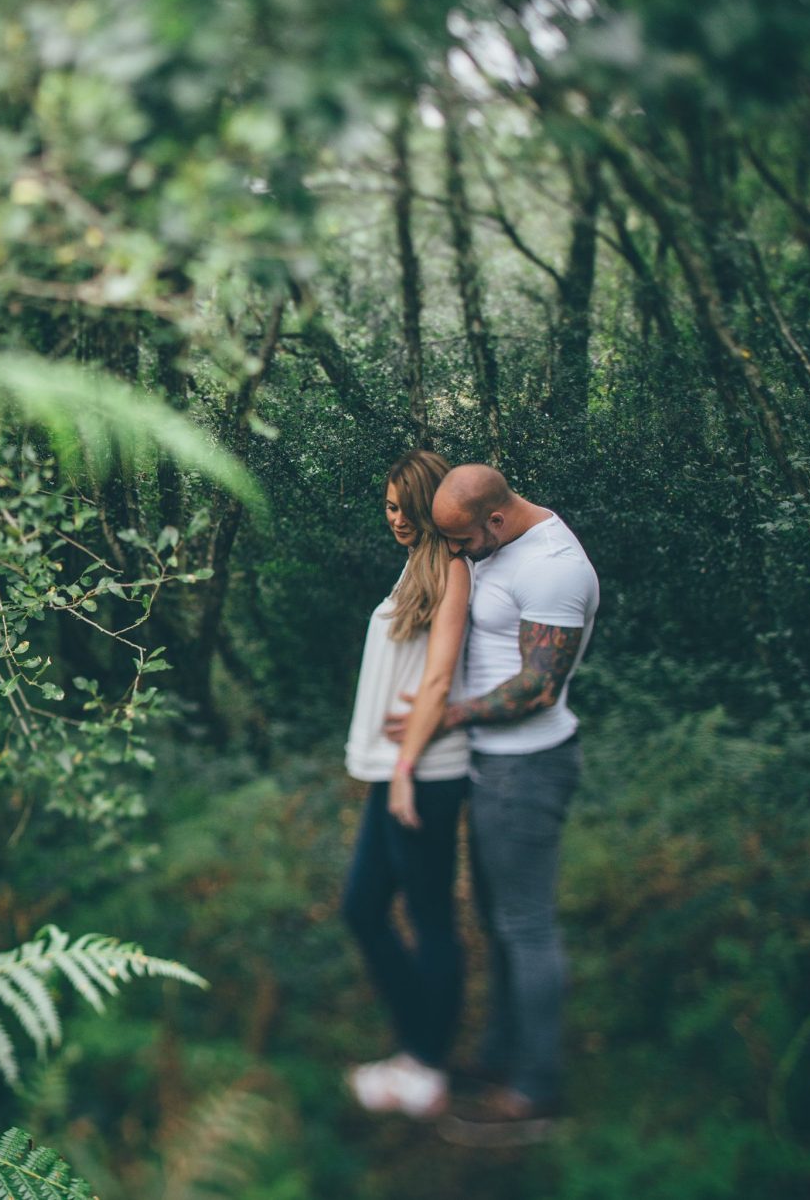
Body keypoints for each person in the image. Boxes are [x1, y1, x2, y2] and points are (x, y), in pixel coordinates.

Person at [386, 462, 600, 1147]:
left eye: (463, 540)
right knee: (498, 918)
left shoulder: (556, 567)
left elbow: (537, 686)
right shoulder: (500, 543)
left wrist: (447, 715)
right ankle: (504, 1051)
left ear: (497, 519)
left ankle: (535, 1087)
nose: (455, 552)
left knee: (526, 925)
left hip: (528, 768)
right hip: (494, 766)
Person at [341, 448, 473, 1121]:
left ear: (428, 504)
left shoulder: (451, 570)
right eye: (387, 505)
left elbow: (442, 675)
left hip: (423, 774)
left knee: (428, 919)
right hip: (394, 773)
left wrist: (402, 772)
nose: (393, 516)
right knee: (362, 907)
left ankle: (427, 1063)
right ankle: (417, 1047)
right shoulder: (415, 565)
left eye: (403, 505)